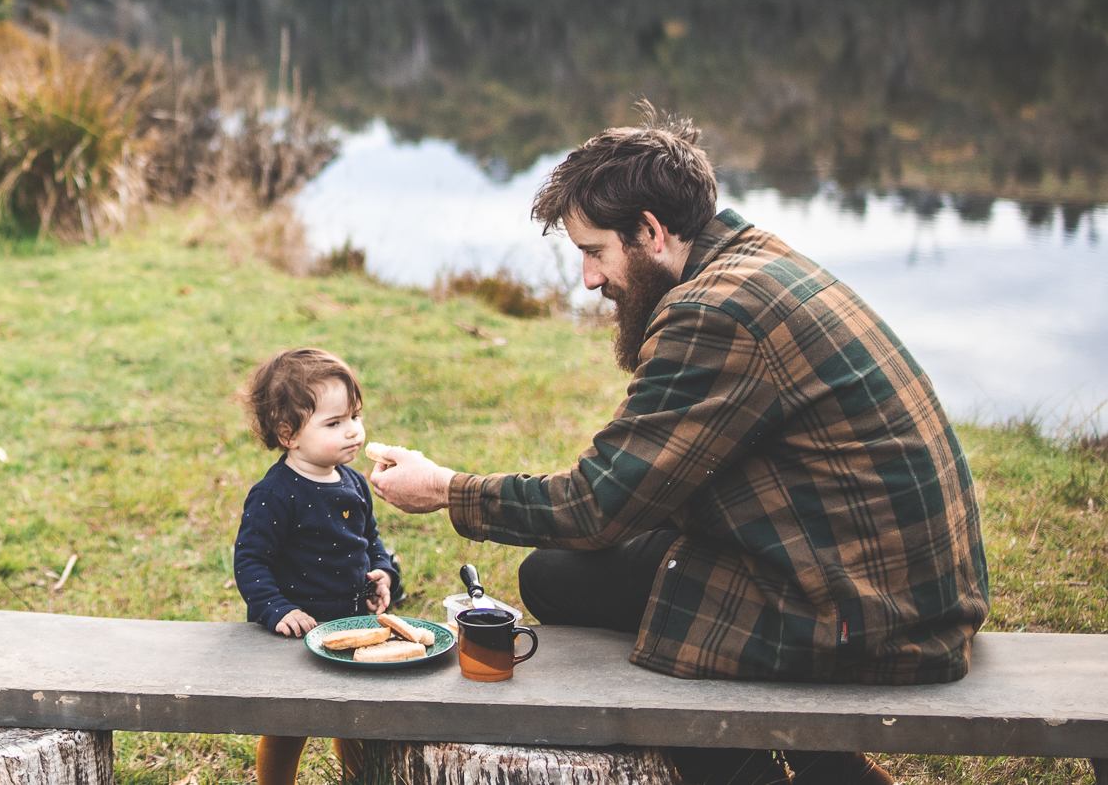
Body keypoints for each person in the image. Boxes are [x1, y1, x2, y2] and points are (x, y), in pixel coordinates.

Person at [367, 110, 989, 785]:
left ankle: (745, 769)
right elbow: (644, 481)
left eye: (595, 251)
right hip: (904, 591)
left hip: (865, 617)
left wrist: (446, 488)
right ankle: (828, 769)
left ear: (651, 231)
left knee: (565, 577)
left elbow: (595, 506)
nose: (588, 279)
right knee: (558, 572)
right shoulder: (754, 259)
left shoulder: (713, 314)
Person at [233, 347, 402, 785]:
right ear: (289, 434)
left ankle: (358, 777)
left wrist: (382, 572)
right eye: (334, 423)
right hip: (295, 632)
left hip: (352, 623)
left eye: (355, 416)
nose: (353, 431)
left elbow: (369, 540)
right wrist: (277, 609)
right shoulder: (275, 494)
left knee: (356, 716)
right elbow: (251, 561)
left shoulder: (353, 482)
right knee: (289, 724)